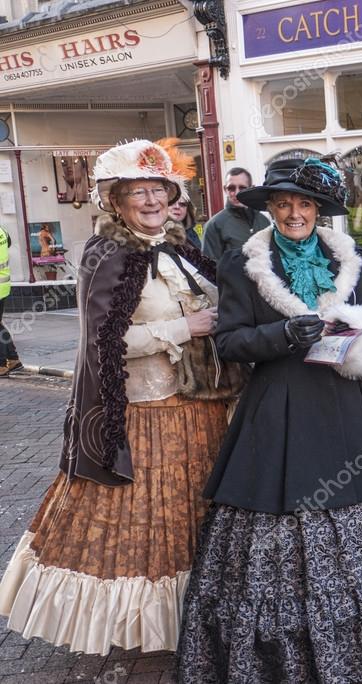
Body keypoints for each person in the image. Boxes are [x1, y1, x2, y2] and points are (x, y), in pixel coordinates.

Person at [176, 157, 362, 683]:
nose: (294, 213)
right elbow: (230, 343)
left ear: (319, 210)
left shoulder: (350, 261)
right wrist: (283, 337)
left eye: (305, 204)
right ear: (270, 209)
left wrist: (355, 329)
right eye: (284, 204)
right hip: (280, 407)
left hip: (347, 400)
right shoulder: (241, 264)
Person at [0, 139, 243, 655]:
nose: (152, 200)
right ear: (115, 199)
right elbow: (102, 344)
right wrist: (183, 327)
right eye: (139, 192)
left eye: (159, 189)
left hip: (203, 411)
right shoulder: (106, 254)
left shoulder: (181, 247)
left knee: (194, 516)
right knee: (140, 525)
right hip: (144, 415)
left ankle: (195, 614)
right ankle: (140, 625)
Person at [200, 166, 271, 260]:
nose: (237, 193)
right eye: (231, 188)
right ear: (225, 189)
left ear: (251, 188)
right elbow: (208, 267)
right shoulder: (214, 225)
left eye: (242, 188)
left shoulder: (264, 221)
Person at [158, 138, 202, 249]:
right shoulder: (158, 235)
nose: (177, 207)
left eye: (183, 204)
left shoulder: (192, 234)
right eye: (172, 203)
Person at [0, 224, 21, 377]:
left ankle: (1, 365)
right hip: (4, 284)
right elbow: (9, 243)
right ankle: (13, 359)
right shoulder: (2, 231)